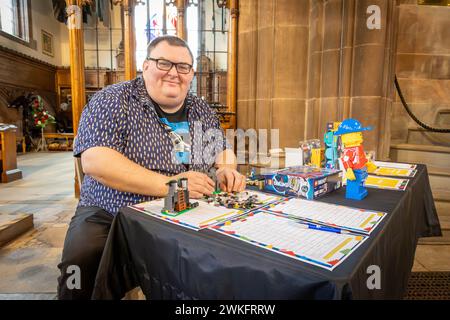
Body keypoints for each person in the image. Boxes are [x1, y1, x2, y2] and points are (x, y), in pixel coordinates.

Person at [57, 35, 246, 299]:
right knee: (80, 261)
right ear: (145, 66)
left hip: (186, 210)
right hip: (112, 211)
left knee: (231, 256)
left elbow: (221, 149)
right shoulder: (113, 100)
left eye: (183, 67)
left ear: (191, 74)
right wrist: (170, 185)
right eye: (163, 63)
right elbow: (95, 161)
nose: (173, 73)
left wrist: (227, 169)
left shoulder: (201, 109)